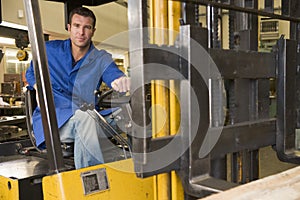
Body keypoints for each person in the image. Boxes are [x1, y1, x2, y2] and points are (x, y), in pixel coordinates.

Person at [25, 7, 130, 169]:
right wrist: (37, 86)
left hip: (91, 117)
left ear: (93, 31)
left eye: (86, 27)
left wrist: (120, 80)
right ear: (68, 27)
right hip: (56, 121)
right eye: (76, 26)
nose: (81, 32)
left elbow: (113, 74)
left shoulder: (101, 58)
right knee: (85, 116)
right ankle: (93, 179)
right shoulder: (48, 50)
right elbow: (31, 72)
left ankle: (138, 164)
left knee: (131, 110)